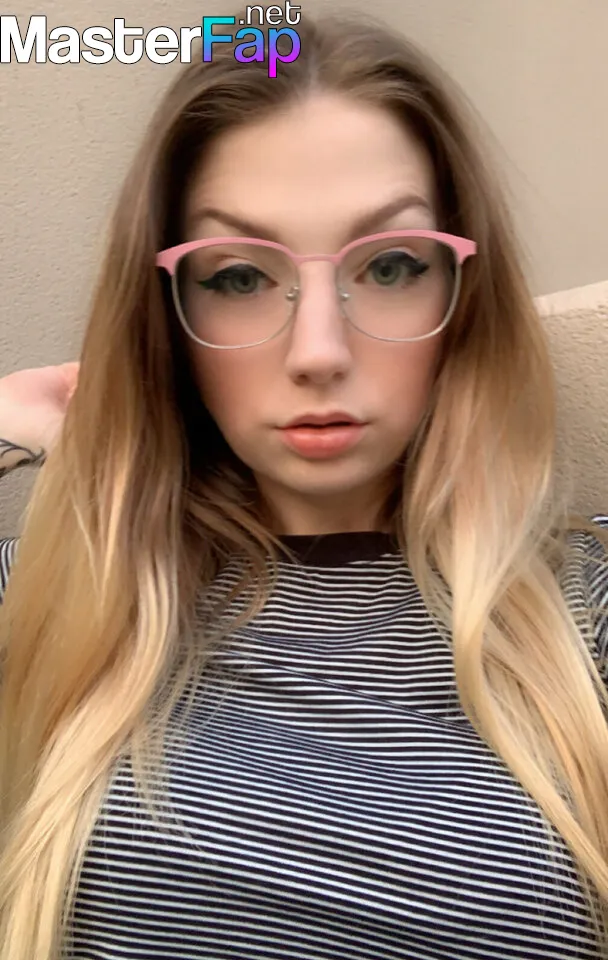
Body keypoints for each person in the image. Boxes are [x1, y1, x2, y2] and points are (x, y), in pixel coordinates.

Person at [1, 8, 607, 960]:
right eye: (239, 277)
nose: (319, 351)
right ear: (165, 313)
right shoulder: (61, 591)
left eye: (392, 265)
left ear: (465, 300)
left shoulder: (583, 611)